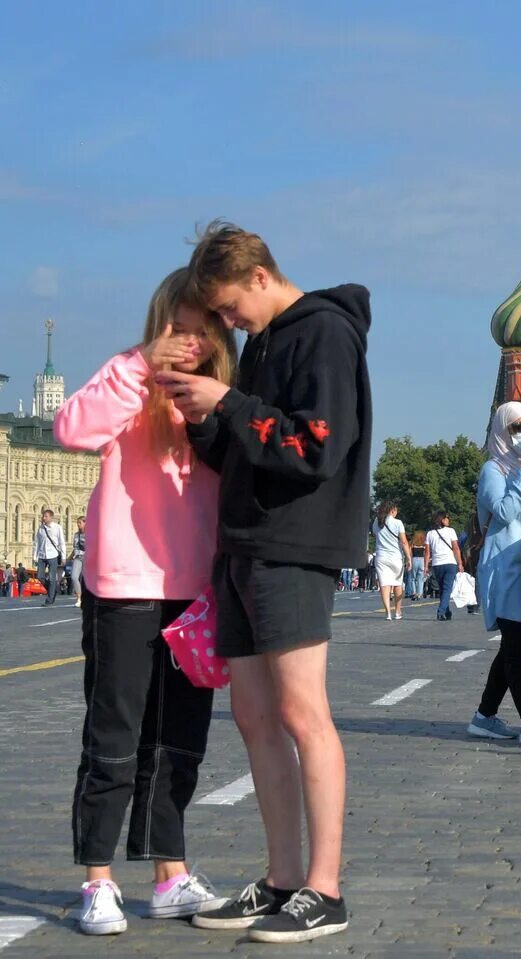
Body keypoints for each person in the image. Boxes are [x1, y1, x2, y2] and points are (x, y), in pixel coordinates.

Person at [161, 221, 371, 942]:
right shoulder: (260, 345)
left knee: (303, 714)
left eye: (226, 309)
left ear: (258, 276)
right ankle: (282, 878)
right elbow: (244, 448)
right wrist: (201, 416)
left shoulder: (325, 334)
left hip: (294, 545)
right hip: (243, 543)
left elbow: (314, 446)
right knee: (253, 716)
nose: (226, 324)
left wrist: (230, 403)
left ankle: (326, 887)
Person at [55, 267, 237, 936]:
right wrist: (139, 366)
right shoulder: (127, 382)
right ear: (156, 327)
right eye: (176, 330)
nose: (187, 344)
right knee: (113, 737)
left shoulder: (221, 399)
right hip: (123, 587)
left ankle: (169, 872)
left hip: (193, 593)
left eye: (200, 332)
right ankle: (96, 879)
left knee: (178, 741)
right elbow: (71, 427)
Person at [468, 402, 521, 744]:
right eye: (517, 427)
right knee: (516, 646)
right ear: (502, 431)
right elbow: (504, 513)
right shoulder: (493, 470)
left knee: (514, 645)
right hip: (505, 566)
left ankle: (484, 716)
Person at [372, 503, 411, 621]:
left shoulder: (376, 522)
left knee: (384, 585)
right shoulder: (398, 523)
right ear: (392, 510)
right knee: (397, 584)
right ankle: (397, 611)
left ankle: (387, 612)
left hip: (381, 557)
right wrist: (409, 558)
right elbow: (404, 542)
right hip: (396, 557)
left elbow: (375, 535)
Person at [428, 511, 464, 622]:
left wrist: (426, 566)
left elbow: (427, 552)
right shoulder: (451, 531)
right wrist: (460, 563)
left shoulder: (430, 533)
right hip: (450, 563)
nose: (448, 520)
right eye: (447, 518)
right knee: (447, 589)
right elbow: (456, 548)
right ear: (442, 520)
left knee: (443, 589)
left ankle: (447, 612)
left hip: (436, 564)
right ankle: (441, 611)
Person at [34, 508, 66, 606]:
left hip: (53, 556)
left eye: (46, 516)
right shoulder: (40, 528)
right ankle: (52, 591)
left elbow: (62, 542)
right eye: (43, 516)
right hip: (42, 556)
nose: (43, 518)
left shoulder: (57, 527)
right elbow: (37, 543)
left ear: (51, 517)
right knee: (40, 577)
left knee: (52, 578)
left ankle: (49, 600)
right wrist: (35, 556)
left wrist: (64, 557)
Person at [68, 516, 87, 608]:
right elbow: (75, 548)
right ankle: (79, 598)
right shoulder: (76, 535)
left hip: (88, 558)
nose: (78, 525)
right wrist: (68, 558)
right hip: (78, 558)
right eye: (77, 523)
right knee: (74, 577)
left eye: (80, 523)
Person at [408, 530, 428, 601]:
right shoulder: (424, 544)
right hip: (422, 560)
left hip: (414, 560)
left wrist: (409, 561)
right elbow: (426, 554)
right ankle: (419, 594)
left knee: (413, 578)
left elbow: (409, 553)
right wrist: (426, 564)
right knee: (420, 579)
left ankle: (414, 592)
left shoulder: (412, 544)